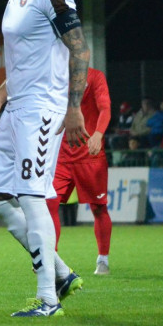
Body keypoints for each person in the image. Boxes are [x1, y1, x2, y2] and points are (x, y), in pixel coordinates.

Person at [0, 0, 87, 318]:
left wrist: (73, 107)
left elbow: (80, 49)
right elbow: (24, 58)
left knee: (32, 196)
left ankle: (48, 299)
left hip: (42, 109)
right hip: (16, 108)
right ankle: (60, 272)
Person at [46, 68, 113, 276]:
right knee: (49, 203)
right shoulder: (53, 76)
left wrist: (98, 134)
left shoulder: (94, 76)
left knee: (98, 208)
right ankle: (51, 260)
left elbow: (105, 108)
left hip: (89, 154)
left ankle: (103, 260)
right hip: (61, 155)